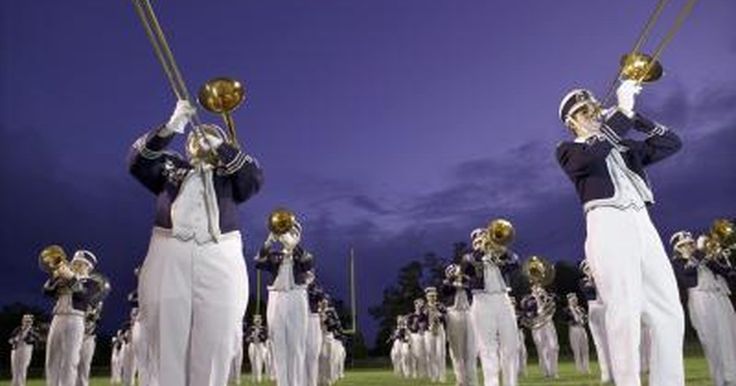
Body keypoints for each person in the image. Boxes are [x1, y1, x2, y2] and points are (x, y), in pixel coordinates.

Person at [556, 79, 684, 385]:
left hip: (642, 221)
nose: (592, 114)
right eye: (583, 113)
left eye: (593, 109)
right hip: (607, 224)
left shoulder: (622, 144)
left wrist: (636, 118)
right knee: (624, 312)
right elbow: (592, 157)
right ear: (571, 122)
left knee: (669, 311)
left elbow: (672, 143)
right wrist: (622, 114)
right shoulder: (568, 150)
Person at [128, 100, 262, 385]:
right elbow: (136, 162)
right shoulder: (171, 166)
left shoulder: (230, 173)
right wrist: (172, 126)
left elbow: (252, 182)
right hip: (168, 249)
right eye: (195, 136)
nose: (199, 138)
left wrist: (222, 147)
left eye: (208, 135)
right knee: (165, 338)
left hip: (220, 251)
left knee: (218, 339)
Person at [671, 230, 736, 385]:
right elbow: (688, 276)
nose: (688, 246)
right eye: (683, 245)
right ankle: (721, 379)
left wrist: (720, 257)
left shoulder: (706, 259)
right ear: (677, 249)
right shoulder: (677, 263)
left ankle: (733, 376)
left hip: (720, 297)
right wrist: (702, 255)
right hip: (701, 300)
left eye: (690, 243)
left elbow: (728, 273)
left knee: (731, 335)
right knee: (712, 341)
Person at [254, 219, 313, 386]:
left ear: (298, 236)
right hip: (277, 298)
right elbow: (258, 262)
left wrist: (294, 246)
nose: (288, 235)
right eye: (286, 232)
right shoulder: (275, 256)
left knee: (296, 346)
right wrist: (268, 242)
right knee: (278, 344)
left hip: (296, 297)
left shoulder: (302, 254)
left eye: (293, 233)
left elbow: (308, 263)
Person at [463, 228, 520, 386]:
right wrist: (481, 252)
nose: (483, 243)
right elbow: (466, 267)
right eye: (478, 241)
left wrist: (501, 251)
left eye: (485, 239)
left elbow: (516, 263)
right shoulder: (469, 258)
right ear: (474, 244)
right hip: (482, 301)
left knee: (511, 345)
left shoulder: (502, 254)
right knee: (487, 348)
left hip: (503, 299)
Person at [44, 250, 105, 386]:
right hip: (57, 318)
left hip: (75, 319)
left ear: (89, 267)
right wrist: (55, 277)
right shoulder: (64, 279)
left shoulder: (93, 283)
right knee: (52, 358)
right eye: (75, 262)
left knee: (70, 359)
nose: (76, 265)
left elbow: (83, 295)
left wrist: (71, 277)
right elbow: (46, 291)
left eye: (81, 263)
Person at [441, 263, 478, 386]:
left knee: (471, 348)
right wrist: (454, 279)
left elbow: (474, 289)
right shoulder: (447, 284)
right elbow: (445, 290)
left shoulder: (467, 283)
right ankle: (461, 380)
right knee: (457, 350)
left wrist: (464, 279)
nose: (459, 272)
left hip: (469, 313)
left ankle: (471, 380)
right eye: (456, 271)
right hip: (454, 314)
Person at [579, 260, 612, 383]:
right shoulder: (583, 281)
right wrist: (592, 278)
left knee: (610, 341)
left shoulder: (602, 280)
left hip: (604, 306)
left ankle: (614, 371)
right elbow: (588, 290)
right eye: (587, 268)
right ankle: (606, 373)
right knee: (599, 343)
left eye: (591, 268)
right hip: (593, 307)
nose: (589, 270)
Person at [520, 285, 558, 378]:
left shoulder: (547, 298)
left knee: (554, 347)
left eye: (540, 287)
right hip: (537, 325)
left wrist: (543, 296)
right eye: (536, 287)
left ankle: (553, 371)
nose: (539, 289)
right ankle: (546, 372)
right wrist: (537, 298)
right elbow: (533, 312)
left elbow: (551, 307)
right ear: (532, 288)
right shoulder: (527, 300)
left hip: (548, 323)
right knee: (542, 349)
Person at [305, 271, 326, 386]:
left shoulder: (317, 289)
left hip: (312, 318)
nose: (308, 277)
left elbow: (323, 301)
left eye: (310, 275)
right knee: (300, 354)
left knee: (313, 353)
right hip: (299, 320)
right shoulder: (298, 287)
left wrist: (321, 312)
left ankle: (312, 382)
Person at [9, 314, 41, 386]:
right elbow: (10, 340)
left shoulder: (34, 330)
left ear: (32, 322)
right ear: (22, 321)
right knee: (14, 369)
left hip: (26, 350)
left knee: (22, 369)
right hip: (15, 350)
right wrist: (14, 340)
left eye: (29, 321)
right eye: (25, 320)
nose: (27, 322)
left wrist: (28, 332)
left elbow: (35, 339)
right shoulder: (18, 329)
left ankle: (21, 384)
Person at [424, 286, 447, 383]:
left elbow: (446, 316)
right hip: (429, 331)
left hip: (439, 329)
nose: (432, 298)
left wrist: (439, 315)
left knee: (440, 353)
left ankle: (441, 375)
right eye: (430, 296)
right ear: (427, 297)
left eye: (434, 296)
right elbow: (420, 320)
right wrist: (428, 326)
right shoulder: (423, 307)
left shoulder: (440, 305)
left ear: (436, 296)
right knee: (430, 354)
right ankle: (433, 375)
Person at [563, 293, 590, 374]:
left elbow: (585, 317)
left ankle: (586, 367)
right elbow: (565, 320)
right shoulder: (567, 310)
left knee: (585, 349)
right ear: (569, 301)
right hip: (574, 329)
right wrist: (571, 322)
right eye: (573, 300)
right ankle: (579, 368)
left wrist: (584, 319)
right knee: (576, 349)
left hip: (581, 328)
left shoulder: (581, 309)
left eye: (576, 300)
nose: (575, 302)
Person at [407, 298, 429, 379]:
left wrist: (424, 328)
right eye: (418, 304)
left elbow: (427, 325)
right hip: (414, 336)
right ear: (415, 305)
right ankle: (415, 372)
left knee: (424, 355)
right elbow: (409, 327)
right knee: (415, 356)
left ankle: (424, 372)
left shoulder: (424, 316)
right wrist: (414, 328)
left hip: (423, 336)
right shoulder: (411, 316)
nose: (419, 306)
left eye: (421, 304)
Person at [245, 315, 268, 384]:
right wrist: (252, 336)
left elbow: (265, 338)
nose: (257, 321)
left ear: (261, 320)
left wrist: (259, 335)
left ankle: (259, 378)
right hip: (252, 345)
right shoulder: (250, 329)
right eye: (256, 319)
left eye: (259, 319)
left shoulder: (263, 329)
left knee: (259, 361)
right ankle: (253, 378)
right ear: (254, 320)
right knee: (253, 362)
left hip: (260, 345)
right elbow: (247, 339)